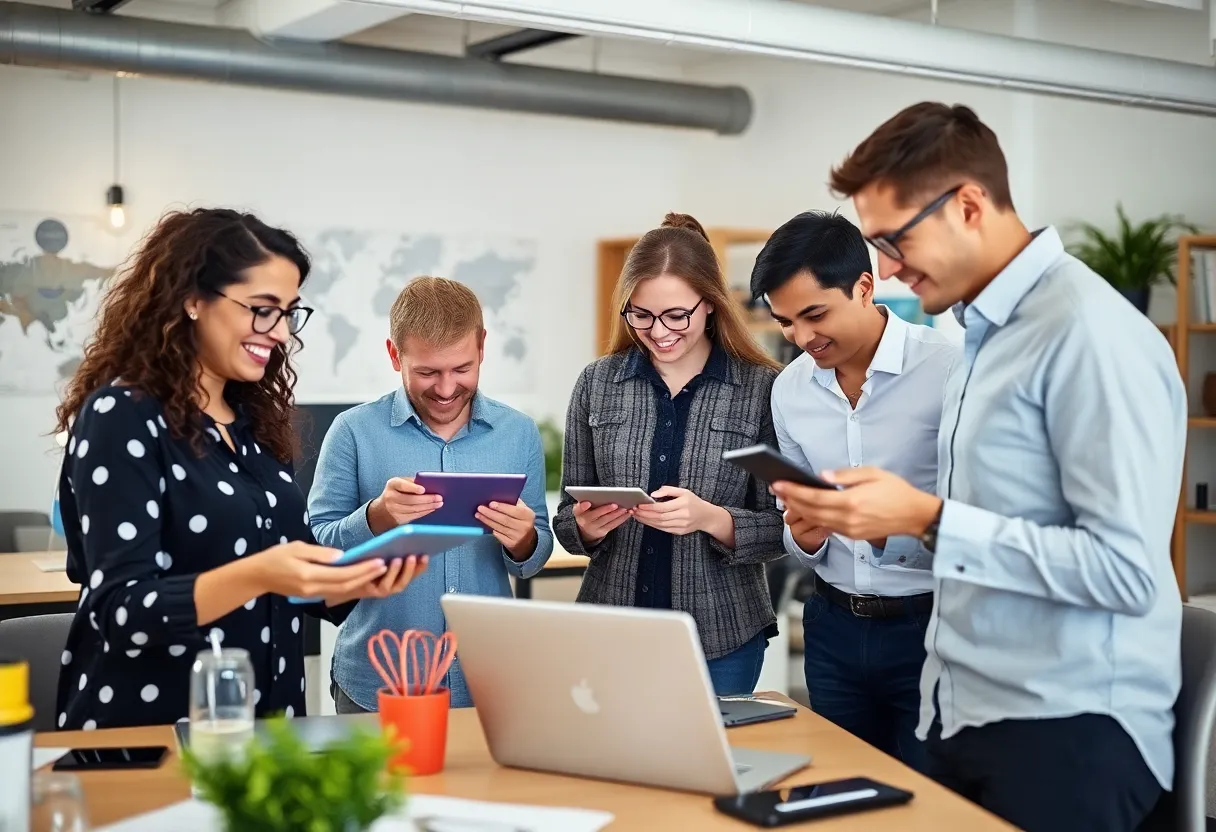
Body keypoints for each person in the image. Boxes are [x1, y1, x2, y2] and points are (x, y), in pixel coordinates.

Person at [771, 102, 1185, 832]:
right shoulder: (987, 339)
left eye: (895, 241)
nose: (889, 268)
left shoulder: (1087, 333)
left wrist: (924, 518)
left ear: (967, 205)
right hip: (964, 711)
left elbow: (1126, 572)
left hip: (1065, 730)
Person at [52, 208, 423, 731]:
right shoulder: (123, 417)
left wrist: (360, 578)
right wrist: (261, 572)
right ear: (192, 299)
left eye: (290, 311)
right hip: (154, 731)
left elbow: (295, 580)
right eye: (262, 309)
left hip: (268, 728)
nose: (280, 332)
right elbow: (121, 610)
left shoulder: (256, 424)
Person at [750, 210, 957, 772]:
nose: (801, 337)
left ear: (864, 287)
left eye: (815, 314)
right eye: (785, 321)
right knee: (839, 791)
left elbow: (976, 519)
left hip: (932, 628)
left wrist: (891, 527)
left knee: (929, 801)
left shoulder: (950, 370)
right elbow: (797, 537)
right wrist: (805, 537)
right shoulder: (789, 390)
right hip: (833, 628)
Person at [552, 213, 786, 696]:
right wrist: (585, 529)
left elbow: (787, 529)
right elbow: (566, 522)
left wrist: (710, 517)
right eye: (640, 315)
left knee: (711, 769)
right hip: (609, 630)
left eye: (676, 315)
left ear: (711, 305)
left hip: (723, 637)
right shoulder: (596, 385)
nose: (658, 332)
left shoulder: (762, 389)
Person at [309, 276, 553, 713]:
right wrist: (379, 515)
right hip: (375, 682)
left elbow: (534, 556)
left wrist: (523, 539)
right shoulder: (353, 432)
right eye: (426, 372)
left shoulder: (518, 434)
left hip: (488, 678)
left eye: (462, 369)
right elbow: (318, 548)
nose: (445, 389)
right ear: (393, 355)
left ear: (482, 347)